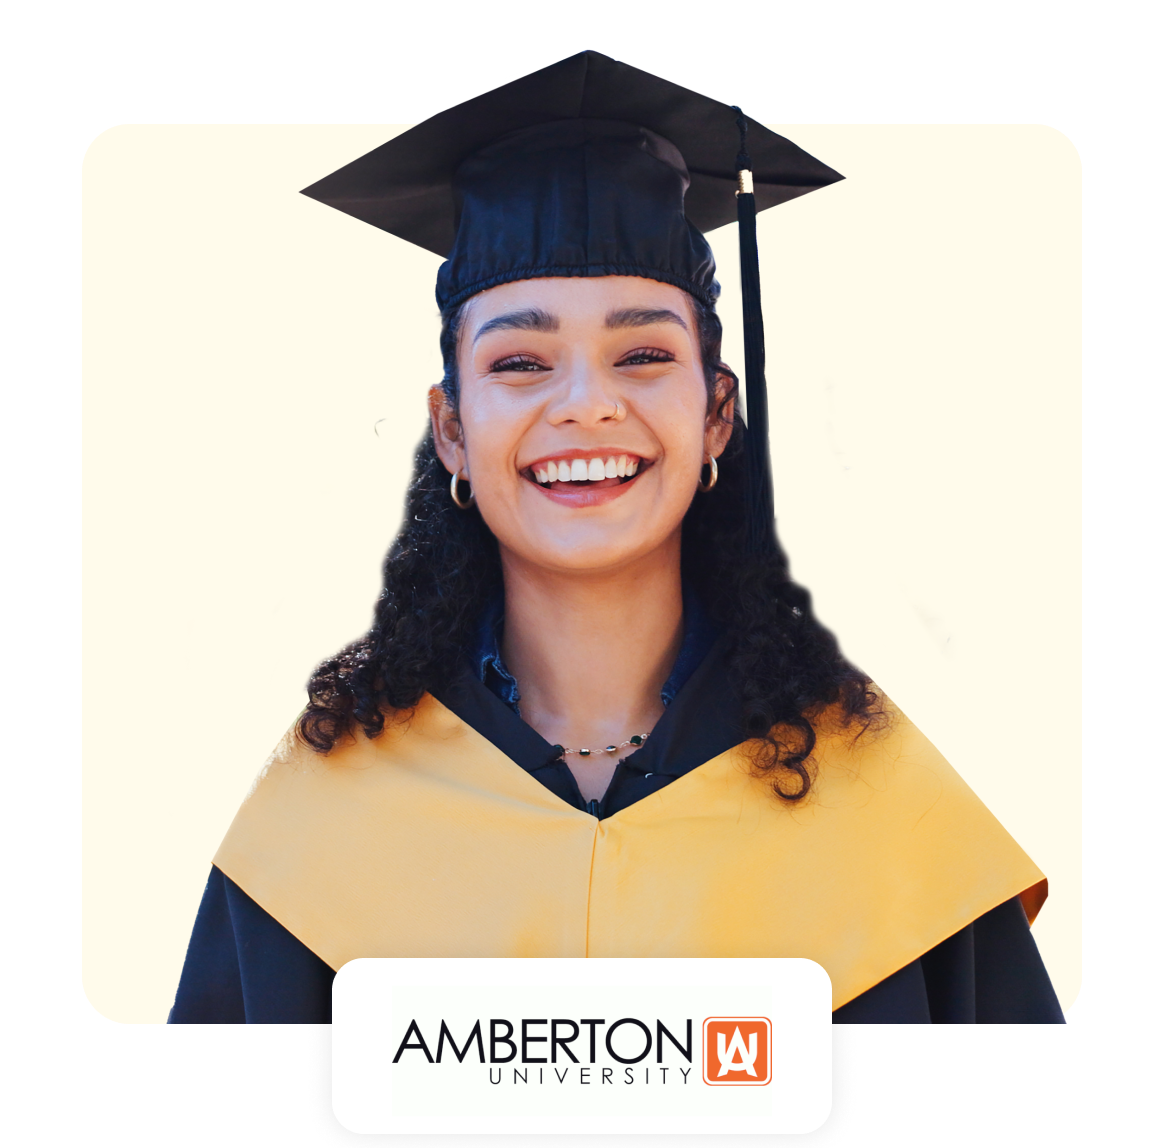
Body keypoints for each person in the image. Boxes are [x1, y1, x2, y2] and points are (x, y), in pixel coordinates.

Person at [169, 55, 1065, 1025]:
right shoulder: (324, 827)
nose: (588, 404)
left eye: (644, 354)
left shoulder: (883, 812)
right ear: (453, 427)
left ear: (719, 411)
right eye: (521, 360)